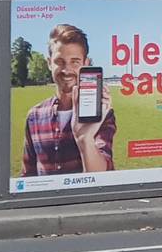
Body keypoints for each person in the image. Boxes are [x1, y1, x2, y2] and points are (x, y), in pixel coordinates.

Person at [21, 24, 116, 177]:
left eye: (75, 61)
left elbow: (102, 176)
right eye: (59, 61)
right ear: (49, 63)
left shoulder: (101, 114)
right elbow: (27, 174)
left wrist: (85, 139)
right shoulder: (34, 115)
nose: (66, 70)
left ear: (86, 63)